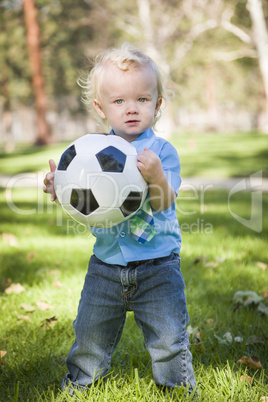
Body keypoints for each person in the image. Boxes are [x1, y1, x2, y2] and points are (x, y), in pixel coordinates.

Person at [43, 43, 197, 396]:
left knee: (169, 337)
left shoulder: (161, 152)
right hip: (106, 266)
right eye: (119, 101)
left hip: (158, 267)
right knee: (89, 332)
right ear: (101, 108)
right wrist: (59, 185)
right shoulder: (90, 151)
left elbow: (163, 202)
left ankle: (177, 388)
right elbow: (80, 198)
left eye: (142, 100)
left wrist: (157, 177)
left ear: (158, 105)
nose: (131, 109)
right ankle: (81, 383)